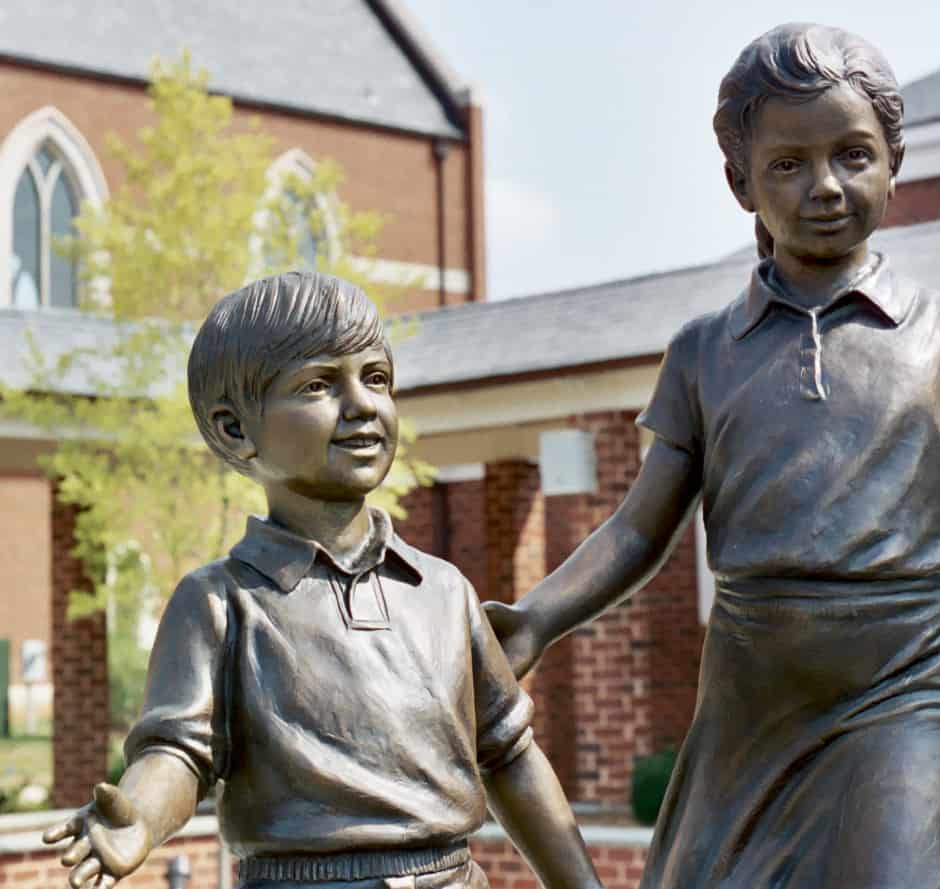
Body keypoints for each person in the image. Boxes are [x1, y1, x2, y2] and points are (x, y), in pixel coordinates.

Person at [485, 24, 940, 888]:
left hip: (909, 679)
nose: (825, 185)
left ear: (894, 162)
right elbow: (637, 530)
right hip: (751, 693)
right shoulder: (704, 353)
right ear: (740, 182)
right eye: (788, 164)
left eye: (853, 155)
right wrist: (537, 617)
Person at [43, 271, 602, 889]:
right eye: (318, 384)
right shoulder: (221, 603)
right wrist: (140, 817)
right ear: (235, 430)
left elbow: (509, 753)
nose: (362, 404)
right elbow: (177, 752)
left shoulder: (443, 592)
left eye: (376, 378)